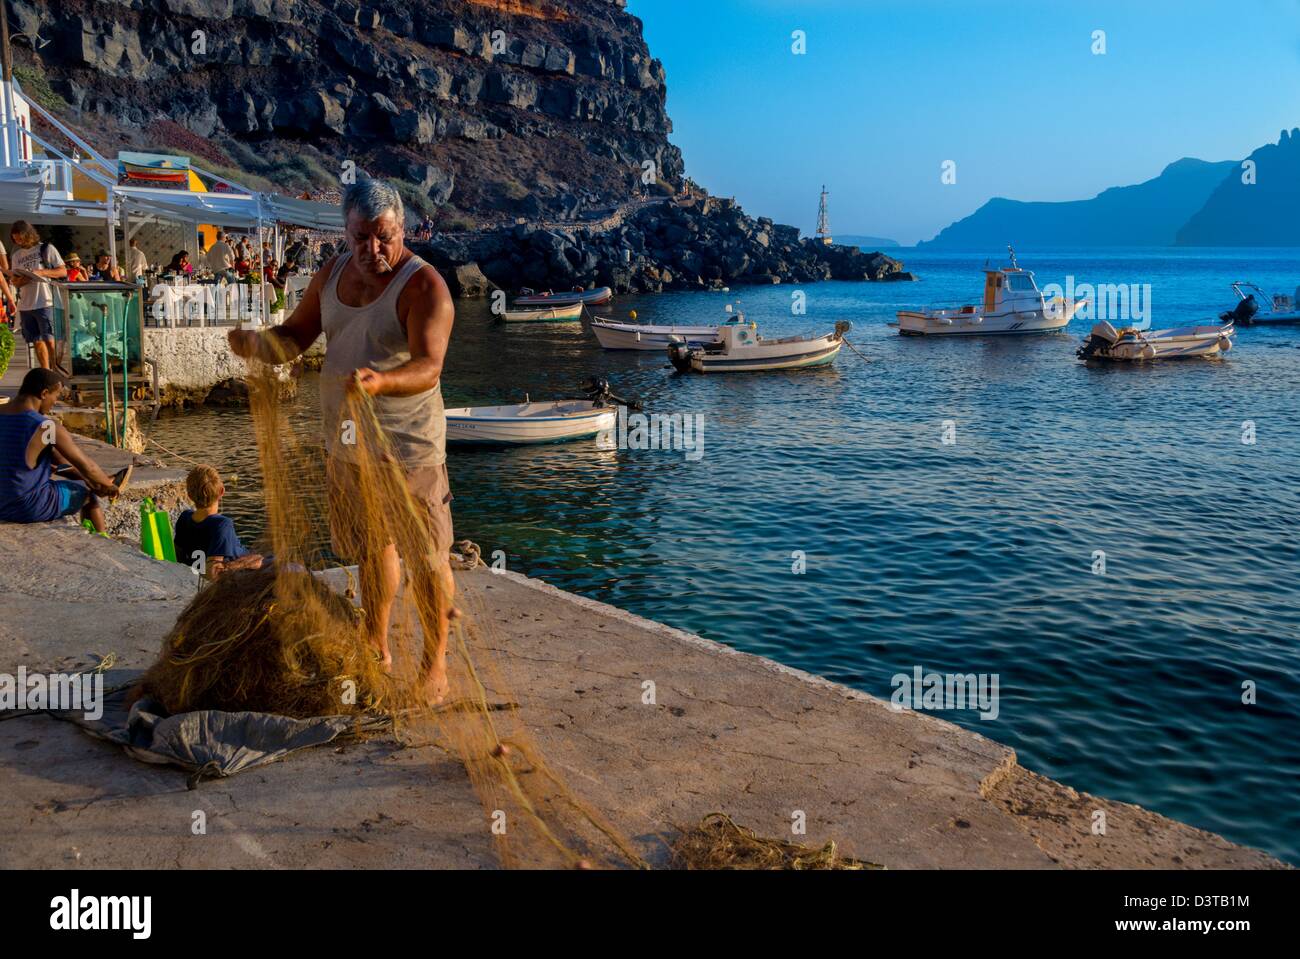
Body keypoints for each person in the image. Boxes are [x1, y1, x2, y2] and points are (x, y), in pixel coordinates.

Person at [228, 178, 456, 703]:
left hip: (409, 447)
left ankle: (435, 664)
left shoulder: (425, 287)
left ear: (403, 228)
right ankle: (376, 645)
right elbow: (295, 339)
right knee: (373, 549)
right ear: (345, 232)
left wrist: (382, 381)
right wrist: (256, 344)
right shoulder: (330, 275)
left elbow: (428, 366)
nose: (372, 250)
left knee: (427, 557)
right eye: (360, 238)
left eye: (385, 237)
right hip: (347, 444)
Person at [0, 368, 128, 533]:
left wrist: (96, 479)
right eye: (56, 396)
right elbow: (87, 466)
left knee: (86, 480)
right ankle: (103, 539)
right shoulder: (45, 427)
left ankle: (102, 481)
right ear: (44, 393)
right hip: (27, 507)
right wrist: (108, 487)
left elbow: (59, 462)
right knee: (88, 496)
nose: (55, 402)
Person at [173, 464, 262, 578]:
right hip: (245, 571)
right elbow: (213, 571)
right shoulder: (222, 524)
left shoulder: (184, 518)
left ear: (189, 496)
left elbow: (179, 557)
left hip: (200, 568)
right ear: (222, 491)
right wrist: (245, 563)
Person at [7, 221, 68, 372]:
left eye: (20, 239)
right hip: (26, 304)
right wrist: (21, 280)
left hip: (45, 301)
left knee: (50, 340)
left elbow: (62, 271)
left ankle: (57, 373)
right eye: (15, 240)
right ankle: (45, 374)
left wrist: (40, 272)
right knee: (37, 341)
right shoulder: (16, 255)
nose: (18, 242)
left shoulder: (46, 249)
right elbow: (15, 282)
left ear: (28, 235)